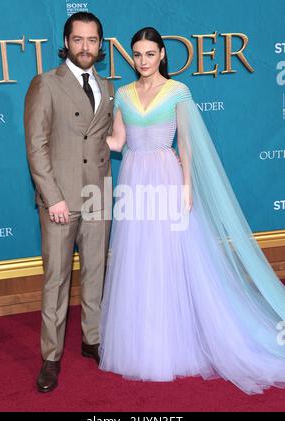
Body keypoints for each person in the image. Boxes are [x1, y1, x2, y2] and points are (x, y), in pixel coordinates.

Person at [99, 27, 285, 395]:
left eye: (150, 54)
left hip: (167, 178)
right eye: (137, 54)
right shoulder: (122, 93)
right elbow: (117, 142)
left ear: (162, 55)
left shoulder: (178, 91)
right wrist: (80, 138)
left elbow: (186, 144)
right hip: (134, 179)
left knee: (171, 259)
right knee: (139, 260)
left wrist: (187, 187)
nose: (143, 61)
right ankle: (143, 340)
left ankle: (176, 339)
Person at [24, 12, 114, 393]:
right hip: (60, 201)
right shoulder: (45, 84)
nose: (85, 47)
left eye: (92, 40)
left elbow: (104, 141)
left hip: (98, 196)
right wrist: (53, 197)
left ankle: (91, 339)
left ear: (100, 45)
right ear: (67, 41)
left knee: (96, 273)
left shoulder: (107, 86)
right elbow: (36, 147)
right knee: (56, 280)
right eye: (78, 40)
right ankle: (51, 356)